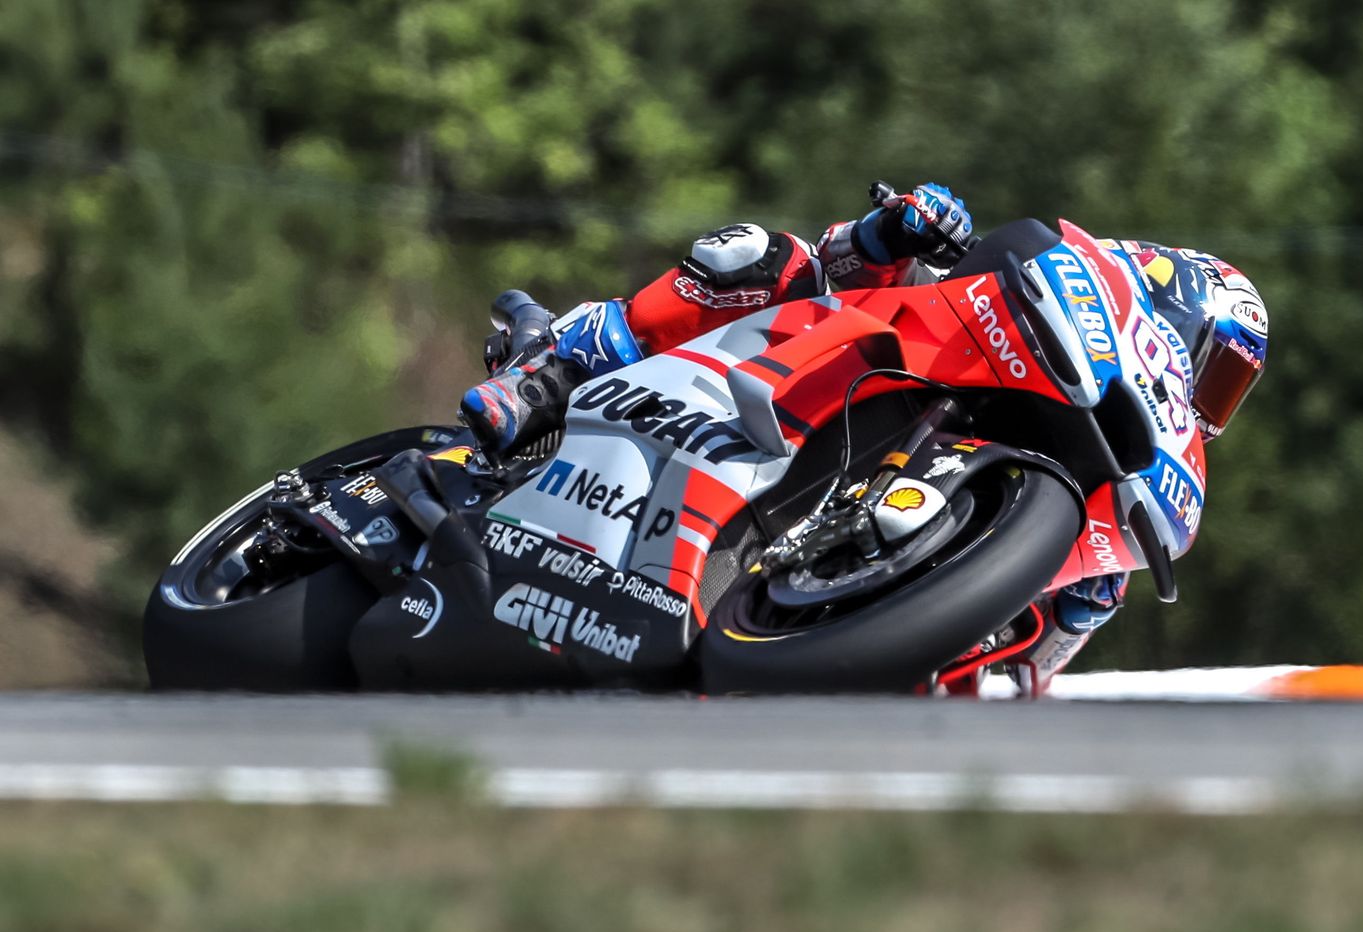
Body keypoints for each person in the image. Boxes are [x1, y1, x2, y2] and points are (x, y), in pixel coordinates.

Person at [459, 183, 1269, 689]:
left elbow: (1025, 683)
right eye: (1220, 373)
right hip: (779, 382)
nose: (1209, 407)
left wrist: (1067, 620)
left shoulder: (1100, 540)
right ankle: (548, 372)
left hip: (834, 675)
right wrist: (890, 236)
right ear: (1174, 313)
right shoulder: (1009, 302)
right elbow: (863, 284)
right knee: (761, 257)